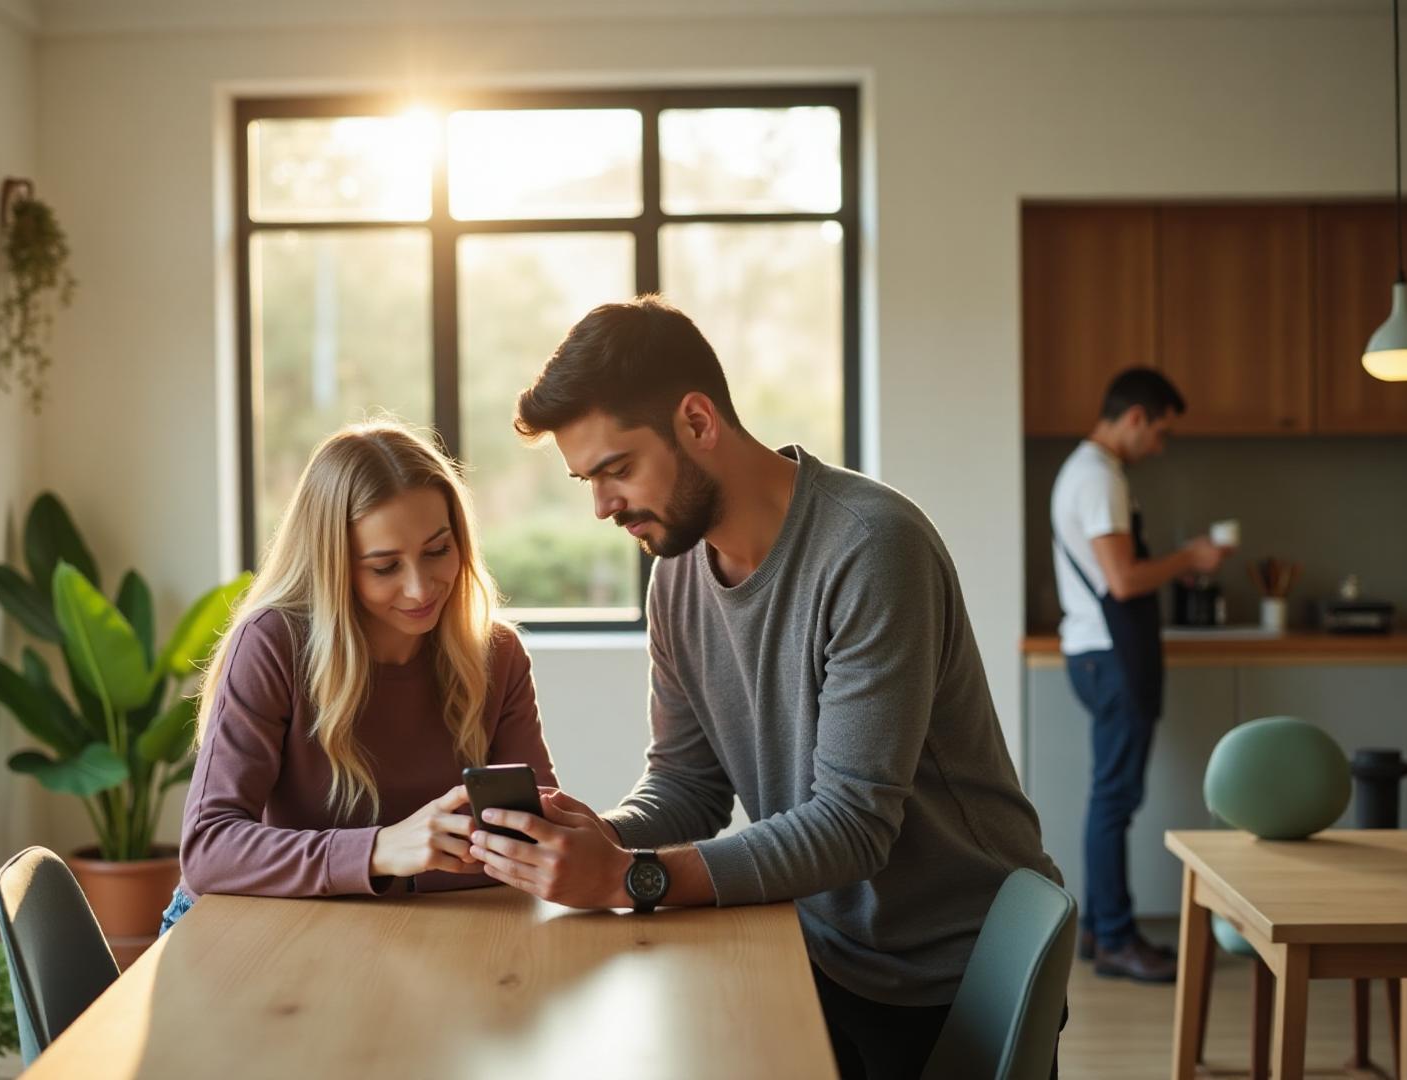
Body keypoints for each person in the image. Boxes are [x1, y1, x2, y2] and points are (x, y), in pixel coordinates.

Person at [467, 294, 1059, 1078]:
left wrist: (629, 878)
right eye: (588, 481)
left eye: (616, 470)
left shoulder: (871, 549)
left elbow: (853, 826)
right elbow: (689, 785)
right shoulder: (676, 575)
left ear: (697, 421)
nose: (603, 506)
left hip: (953, 971)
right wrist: (600, 836)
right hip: (814, 944)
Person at [160, 421, 556, 932]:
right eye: (384, 567)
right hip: (243, 932)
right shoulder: (272, 644)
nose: (420, 589)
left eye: (437, 551)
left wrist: (422, 865)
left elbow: (531, 839)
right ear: (335, 567)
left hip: (403, 932)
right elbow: (209, 851)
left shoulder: (496, 654)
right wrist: (380, 850)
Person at [1048, 367, 1226, 983]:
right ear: (1134, 418)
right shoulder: (1099, 478)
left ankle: (1102, 931)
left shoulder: (1085, 472)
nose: (1160, 446)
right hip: (1111, 656)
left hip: (1095, 653)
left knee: (1110, 799)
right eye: (1159, 432)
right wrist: (1190, 559)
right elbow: (1122, 581)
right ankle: (1118, 938)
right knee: (1114, 801)